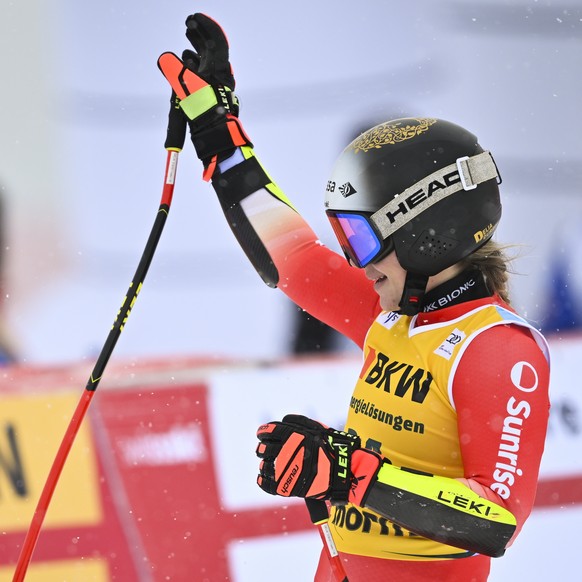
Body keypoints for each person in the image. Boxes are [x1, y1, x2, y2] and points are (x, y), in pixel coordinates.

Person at [158, 14, 551, 582]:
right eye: (344, 238)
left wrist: (349, 475)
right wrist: (221, 137)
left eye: (362, 238)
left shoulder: (496, 350)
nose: (354, 261)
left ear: (428, 234)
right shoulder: (391, 314)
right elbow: (290, 256)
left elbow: (495, 519)